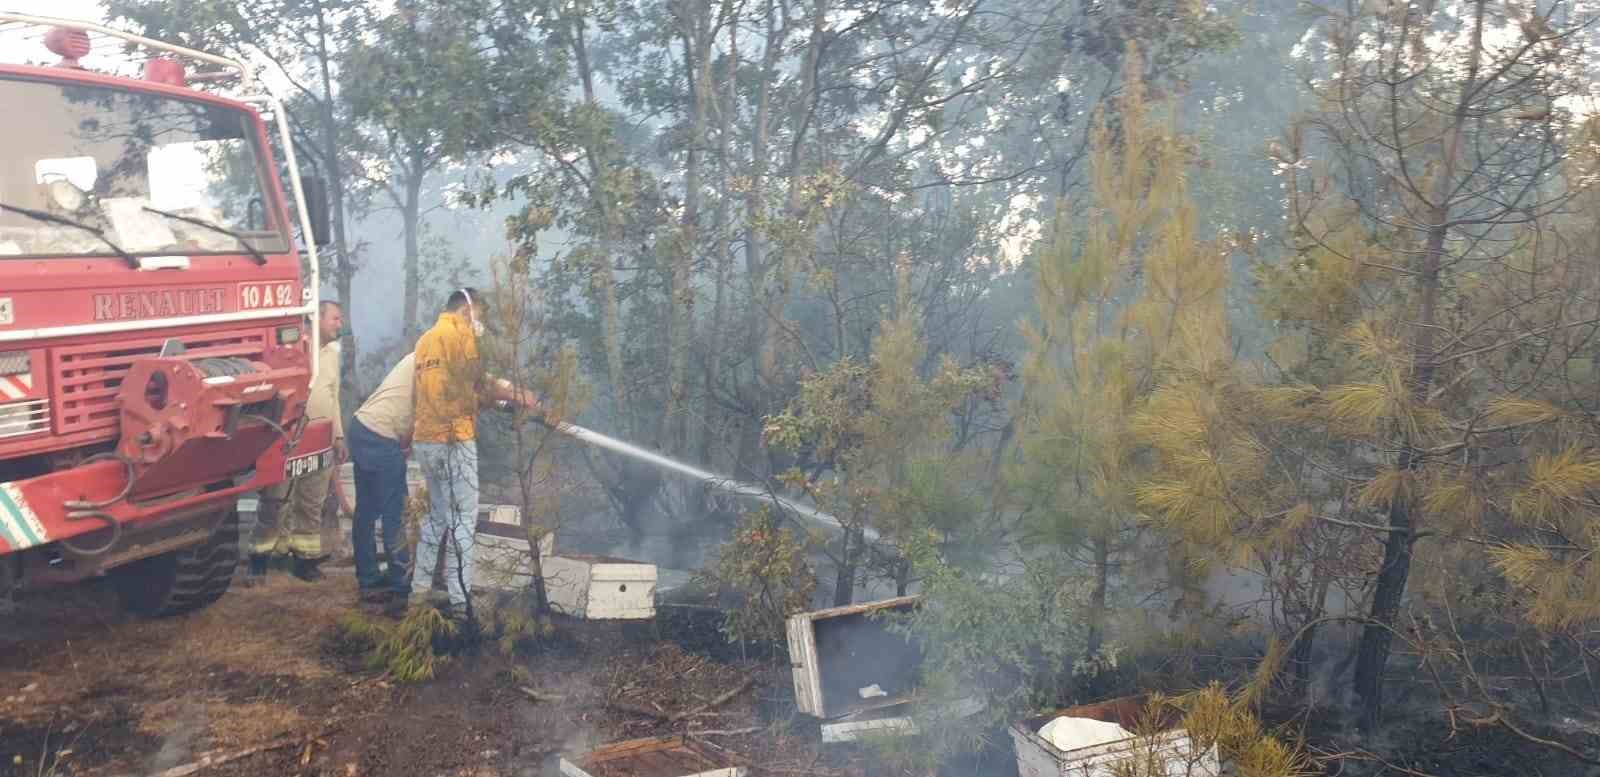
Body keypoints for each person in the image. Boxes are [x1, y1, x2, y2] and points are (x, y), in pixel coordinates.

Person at [408, 288, 541, 616]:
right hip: (455, 439)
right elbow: (478, 382)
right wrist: (518, 396)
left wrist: (492, 400)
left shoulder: (425, 340)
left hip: (425, 439)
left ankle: (418, 592)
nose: (479, 322)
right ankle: (460, 602)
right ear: (467, 310)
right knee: (463, 522)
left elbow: (444, 389)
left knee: (437, 517)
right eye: (479, 314)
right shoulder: (459, 334)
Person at [247, 301, 346, 583]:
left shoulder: (331, 355)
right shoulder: (291, 351)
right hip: (288, 438)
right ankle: (260, 561)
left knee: (311, 502)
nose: (339, 324)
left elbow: (333, 396)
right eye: (335, 319)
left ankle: (304, 562)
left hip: (321, 438)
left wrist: (338, 435)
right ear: (317, 320)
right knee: (275, 501)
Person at [348, 351, 415, 614]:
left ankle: (368, 581)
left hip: (361, 426)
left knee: (366, 510)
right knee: (394, 511)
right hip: (382, 434)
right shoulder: (436, 362)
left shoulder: (413, 357)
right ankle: (401, 588)